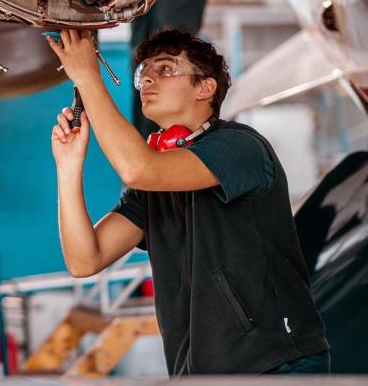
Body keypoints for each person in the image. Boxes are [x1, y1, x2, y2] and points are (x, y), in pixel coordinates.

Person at [46, 28, 330, 375]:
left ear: (205, 88)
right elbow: (84, 260)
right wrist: (68, 166)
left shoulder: (240, 148)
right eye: (144, 72)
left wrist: (88, 77)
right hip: (200, 373)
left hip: (274, 364)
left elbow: (139, 169)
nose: (148, 77)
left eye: (166, 68)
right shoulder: (154, 183)